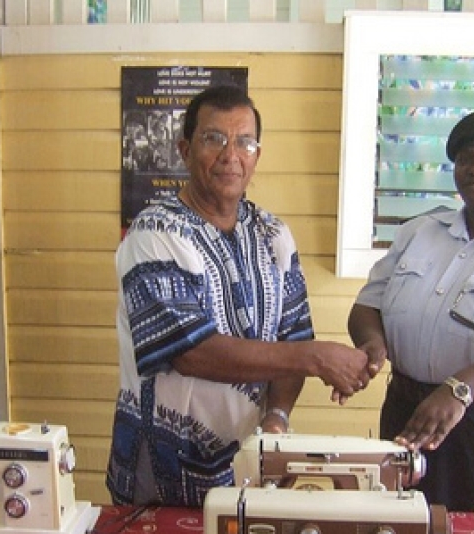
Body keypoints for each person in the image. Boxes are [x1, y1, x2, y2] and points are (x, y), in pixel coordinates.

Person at [107, 84, 369, 507]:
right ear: (184, 149)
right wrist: (318, 358)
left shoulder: (273, 234)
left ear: (257, 155)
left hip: (249, 464)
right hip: (161, 471)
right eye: (214, 139)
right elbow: (191, 352)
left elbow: (294, 339)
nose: (232, 154)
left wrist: (277, 419)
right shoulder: (153, 233)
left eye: (245, 141)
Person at [346, 110, 474, 512]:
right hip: (406, 412)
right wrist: (373, 344)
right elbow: (367, 305)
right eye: (466, 158)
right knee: (398, 529)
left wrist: (459, 390)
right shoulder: (419, 231)